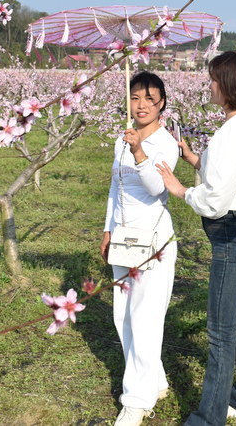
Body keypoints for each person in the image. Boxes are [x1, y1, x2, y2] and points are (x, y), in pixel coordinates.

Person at [156, 51, 236, 426]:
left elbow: (216, 201)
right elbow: (226, 176)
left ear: (229, 84)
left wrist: (180, 190)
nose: (210, 85)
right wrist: (195, 160)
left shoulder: (235, 131)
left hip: (232, 235)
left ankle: (209, 417)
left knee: (219, 332)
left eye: (214, 79)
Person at [101, 71, 180, 426]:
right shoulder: (123, 138)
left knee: (145, 316)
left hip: (153, 240)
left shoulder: (165, 142)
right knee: (124, 314)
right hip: (123, 237)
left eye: (150, 98)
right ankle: (156, 379)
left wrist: (138, 150)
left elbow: (154, 188)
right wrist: (107, 229)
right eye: (136, 97)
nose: (142, 105)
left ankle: (136, 400)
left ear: (162, 102)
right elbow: (114, 188)